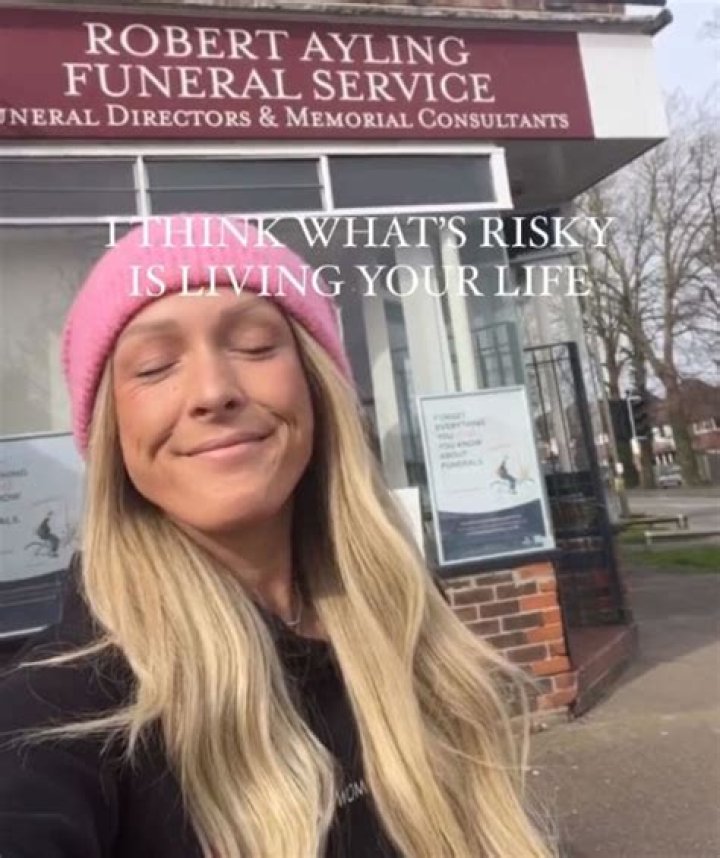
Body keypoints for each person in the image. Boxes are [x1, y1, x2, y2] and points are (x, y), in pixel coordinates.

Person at [0, 214, 556, 858]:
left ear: (316, 385)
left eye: (256, 346)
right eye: (154, 367)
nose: (213, 392)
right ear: (112, 432)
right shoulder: (57, 711)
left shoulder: (406, 617)